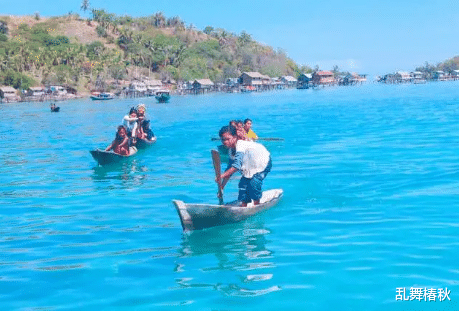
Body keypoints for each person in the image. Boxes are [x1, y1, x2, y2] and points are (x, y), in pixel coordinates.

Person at [217, 125, 272, 207]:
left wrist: (221, 176)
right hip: (250, 167)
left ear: (235, 137)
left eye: (228, 139)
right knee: (243, 185)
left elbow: (236, 166)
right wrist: (221, 187)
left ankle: (257, 205)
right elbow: (229, 171)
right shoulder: (230, 151)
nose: (225, 142)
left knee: (254, 183)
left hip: (263, 163)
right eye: (223, 140)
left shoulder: (240, 145)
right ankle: (244, 205)